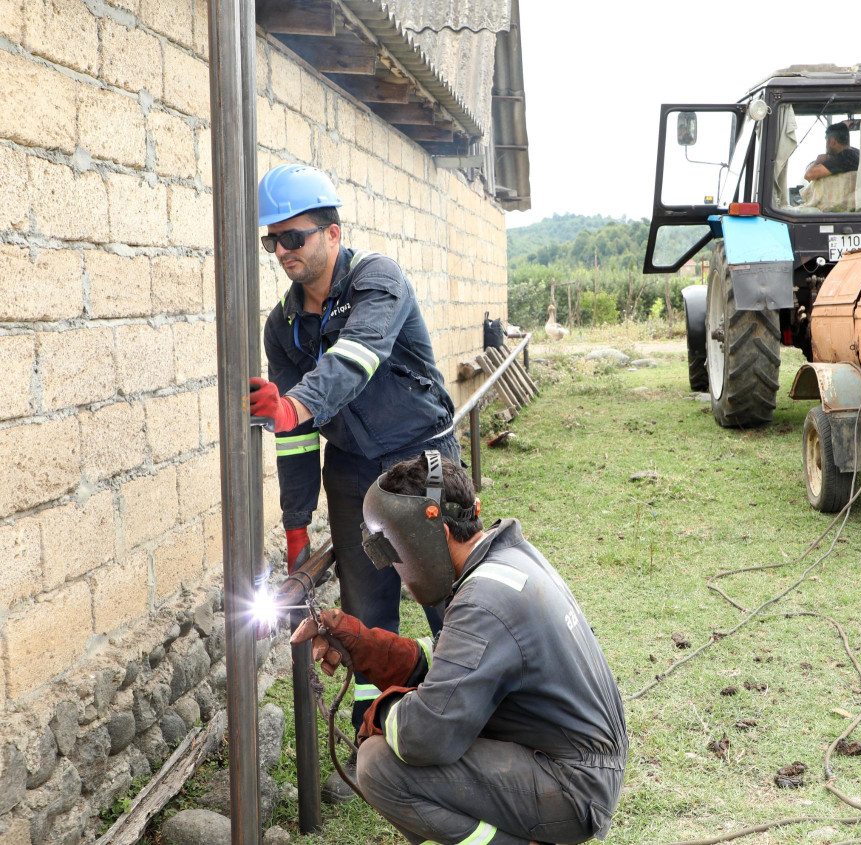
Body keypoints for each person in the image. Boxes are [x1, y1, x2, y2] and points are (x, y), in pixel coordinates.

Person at [290, 453, 628, 845]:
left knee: (379, 765)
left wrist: (381, 712)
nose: (397, 566)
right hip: (582, 765)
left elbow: (426, 735)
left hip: (573, 788)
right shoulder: (507, 558)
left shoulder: (483, 601)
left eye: (397, 549)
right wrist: (362, 643)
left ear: (438, 534)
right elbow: (451, 662)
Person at [251, 163, 460, 735]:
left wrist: (292, 404)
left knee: (447, 593)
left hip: (421, 460)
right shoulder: (284, 326)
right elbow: (291, 436)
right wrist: (297, 525)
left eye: (294, 237)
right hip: (351, 474)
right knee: (366, 608)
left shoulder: (378, 280)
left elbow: (356, 360)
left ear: (333, 233)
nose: (281, 251)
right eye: (273, 240)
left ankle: (472, 705)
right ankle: (377, 724)